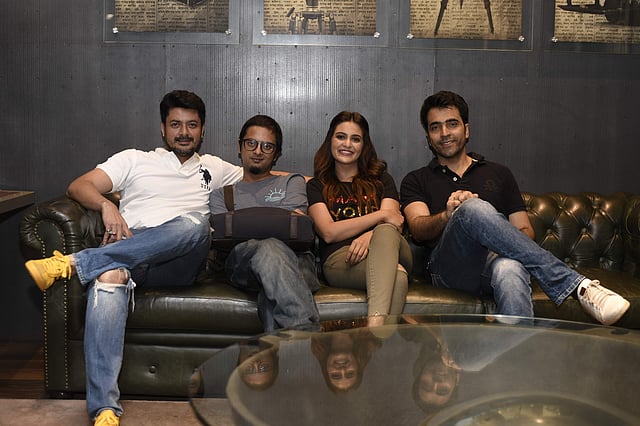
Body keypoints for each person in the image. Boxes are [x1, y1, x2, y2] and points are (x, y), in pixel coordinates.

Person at [24, 90, 243, 426]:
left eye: (192, 125)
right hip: (133, 251)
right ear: (163, 129)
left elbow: (265, 178)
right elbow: (79, 186)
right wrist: (106, 205)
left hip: (182, 261)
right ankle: (104, 409)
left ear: (202, 130)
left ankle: (75, 263)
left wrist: (312, 185)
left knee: (196, 224)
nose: (184, 132)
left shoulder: (214, 167)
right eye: (176, 124)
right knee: (108, 277)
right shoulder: (134, 160)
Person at [400, 90, 630, 326]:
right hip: (448, 271)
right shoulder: (416, 180)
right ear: (428, 138)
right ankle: (577, 286)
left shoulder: (499, 173)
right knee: (470, 208)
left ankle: (516, 346)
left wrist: (500, 240)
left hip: (493, 265)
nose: (444, 133)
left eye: (452, 124)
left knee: (509, 268)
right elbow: (417, 229)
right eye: (435, 127)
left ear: (466, 130)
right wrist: (448, 215)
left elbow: (525, 230)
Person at [209, 114, 320, 332]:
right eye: (251, 143)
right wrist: (277, 219)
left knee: (271, 280)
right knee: (269, 246)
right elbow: (222, 235)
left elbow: (296, 226)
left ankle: (283, 351)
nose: (258, 151)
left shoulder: (292, 182)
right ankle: (307, 338)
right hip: (243, 265)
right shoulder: (222, 195)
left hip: (297, 262)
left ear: (276, 154)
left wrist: (241, 222)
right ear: (240, 146)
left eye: (267, 146)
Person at [307, 111, 413, 327]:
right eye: (341, 137)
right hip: (342, 259)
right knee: (398, 276)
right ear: (330, 140)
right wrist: (380, 215)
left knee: (385, 231)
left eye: (355, 139)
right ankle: (378, 338)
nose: (347, 144)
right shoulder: (317, 186)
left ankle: (370, 330)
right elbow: (328, 232)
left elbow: (394, 222)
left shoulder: (382, 180)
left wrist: (370, 236)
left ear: (364, 145)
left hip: (392, 248)